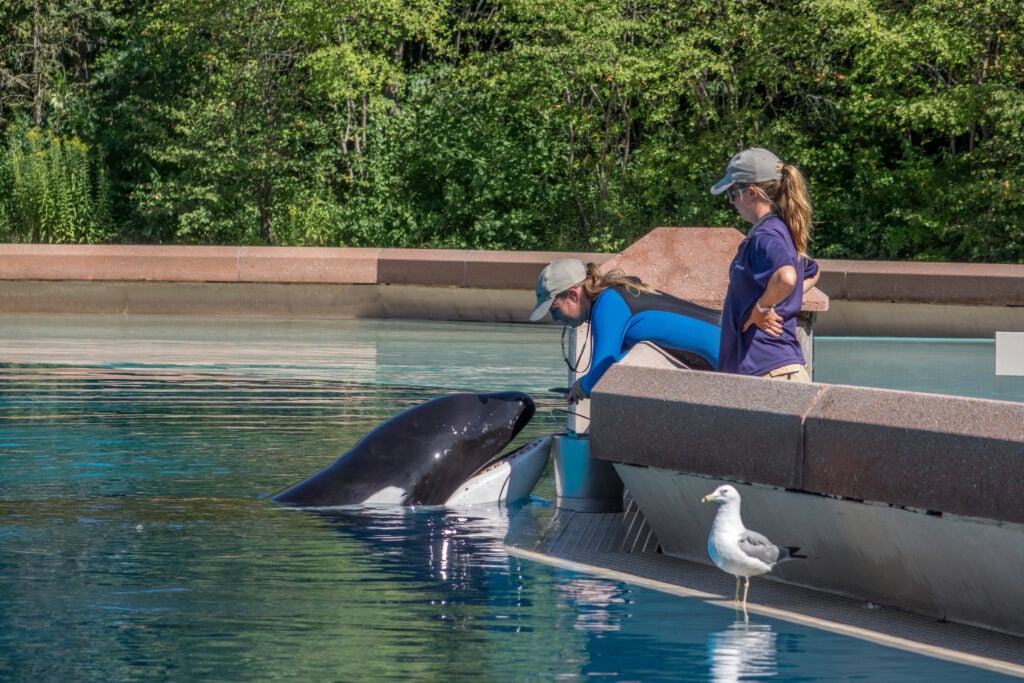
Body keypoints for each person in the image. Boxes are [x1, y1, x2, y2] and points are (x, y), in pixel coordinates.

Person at [529, 258, 720, 403]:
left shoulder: (608, 304)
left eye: (554, 309)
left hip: (729, 350)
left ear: (573, 295)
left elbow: (603, 369)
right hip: (724, 348)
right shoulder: (612, 298)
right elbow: (618, 363)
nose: (554, 318)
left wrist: (583, 386)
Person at [710, 147, 821, 380]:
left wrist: (761, 308)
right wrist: (781, 301)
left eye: (732, 193)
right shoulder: (779, 231)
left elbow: (787, 277)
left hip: (769, 372)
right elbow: (813, 272)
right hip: (769, 370)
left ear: (751, 192)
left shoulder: (767, 235)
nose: (731, 202)